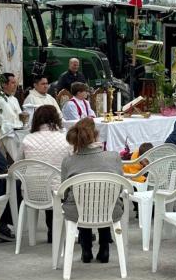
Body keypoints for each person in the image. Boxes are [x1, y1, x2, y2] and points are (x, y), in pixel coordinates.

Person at [60, 118, 123, 264]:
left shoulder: (68, 161)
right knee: (105, 198)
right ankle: (104, 247)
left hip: (78, 212)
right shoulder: (113, 157)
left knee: (81, 200)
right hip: (109, 210)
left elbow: (65, 191)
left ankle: (86, 249)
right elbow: (120, 187)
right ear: (96, 135)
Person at [20, 105, 69, 243]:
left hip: (32, 191)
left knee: (48, 181)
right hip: (58, 192)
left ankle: (51, 231)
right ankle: (66, 231)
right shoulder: (64, 140)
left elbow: (18, 163)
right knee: (61, 183)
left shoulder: (27, 139)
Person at [0, 73, 24, 160]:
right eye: (12, 83)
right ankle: (19, 164)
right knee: (10, 137)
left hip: (16, 129)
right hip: (3, 132)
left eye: (15, 82)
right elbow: (1, 121)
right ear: (4, 84)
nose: (15, 85)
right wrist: (14, 127)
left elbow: (20, 115)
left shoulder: (14, 99)